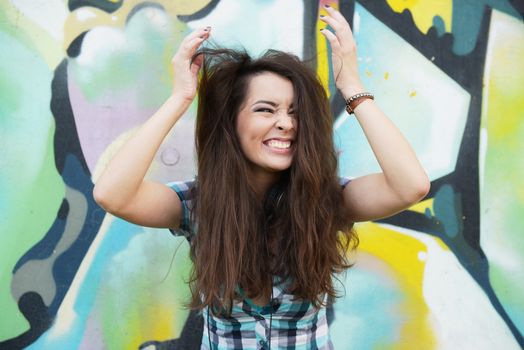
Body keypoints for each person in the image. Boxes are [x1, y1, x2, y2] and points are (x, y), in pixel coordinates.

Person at [93, 5, 430, 349]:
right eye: (265, 110)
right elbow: (112, 194)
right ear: (232, 124)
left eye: (295, 113)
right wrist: (181, 98)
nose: (286, 123)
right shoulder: (199, 205)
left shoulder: (327, 200)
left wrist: (352, 87)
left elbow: (411, 185)